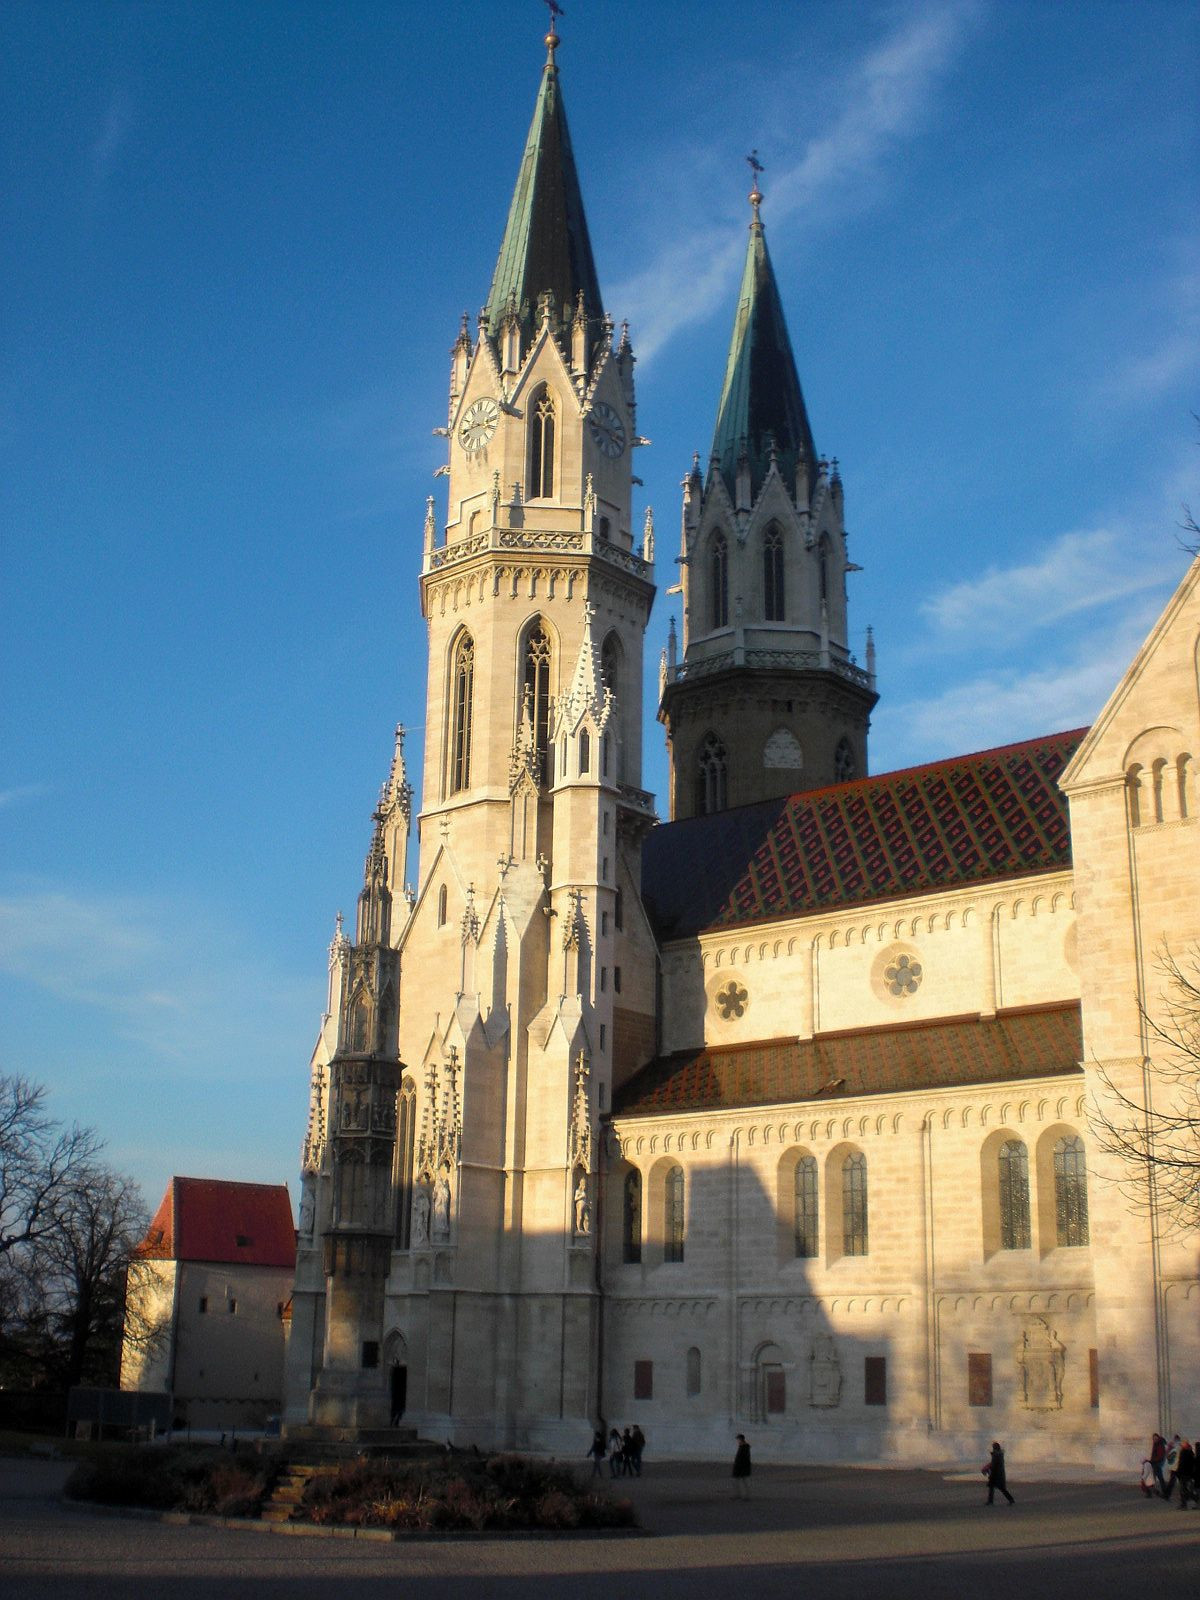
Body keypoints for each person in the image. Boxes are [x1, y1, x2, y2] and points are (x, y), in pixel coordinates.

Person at [985, 1441, 1014, 1505]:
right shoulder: (999, 1454)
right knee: (994, 1487)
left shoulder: (996, 1455)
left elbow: (994, 1465)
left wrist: (989, 1471)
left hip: (996, 1474)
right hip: (999, 1474)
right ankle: (990, 1501)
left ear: (995, 1448)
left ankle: (1010, 1499)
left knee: (999, 1488)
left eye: (993, 1447)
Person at [1175, 1436, 1195, 1509]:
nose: (1181, 1444)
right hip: (1186, 1473)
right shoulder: (1189, 1451)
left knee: (1183, 1489)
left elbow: (1182, 1463)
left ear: (1185, 1443)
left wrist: (1178, 1472)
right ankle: (1185, 1503)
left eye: (1183, 1443)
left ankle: (1185, 1504)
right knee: (1184, 1489)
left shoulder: (1185, 1452)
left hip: (1184, 1473)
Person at [732, 1433, 752, 1499]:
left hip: (742, 1468)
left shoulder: (744, 1447)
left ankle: (746, 1496)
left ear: (741, 1439)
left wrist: (739, 1466)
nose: (737, 1441)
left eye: (738, 1439)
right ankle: (739, 1495)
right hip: (740, 1467)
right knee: (738, 1482)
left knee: (744, 1482)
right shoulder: (743, 1447)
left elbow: (744, 1459)